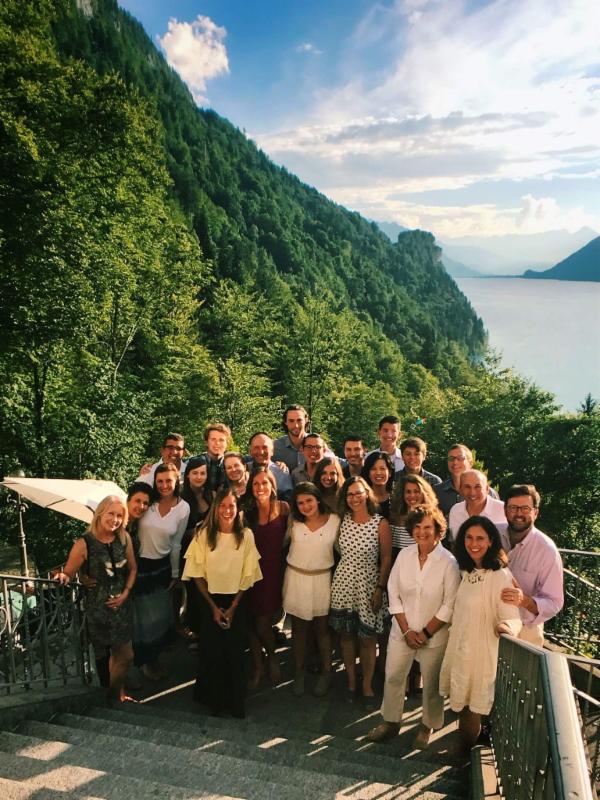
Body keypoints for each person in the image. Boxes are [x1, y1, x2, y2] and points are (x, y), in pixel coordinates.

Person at [367, 506, 460, 747]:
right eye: (417, 527)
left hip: (435, 636)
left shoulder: (448, 562)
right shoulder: (404, 556)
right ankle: (390, 722)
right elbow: (393, 591)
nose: (422, 532)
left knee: (431, 684)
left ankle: (427, 725)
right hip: (402, 632)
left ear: (438, 530)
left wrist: (426, 632)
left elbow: (450, 604)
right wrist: (407, 630)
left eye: (428, 527)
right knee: (394, 676)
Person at [439, 516, 522, 752]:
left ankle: (465, 757)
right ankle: (463, 754)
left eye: (480, 538)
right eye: (469, 537)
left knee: (473, 708)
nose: (473, 543)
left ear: (491, 541)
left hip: (482, 653)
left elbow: (512, 616)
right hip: (462, 648)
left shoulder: (500, 575)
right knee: (464, 707)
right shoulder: (468, 571)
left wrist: (506, 627)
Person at [182, 488, 262, 718]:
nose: (227, 510)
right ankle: (214, 701)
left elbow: (248, 574)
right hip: (210, 599)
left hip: (237, 599)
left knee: (235, 651)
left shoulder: (246, 535)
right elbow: (196, 574)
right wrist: (213, 608)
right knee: (212, 651)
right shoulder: (203, 534)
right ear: (216, 508)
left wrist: (233, 608)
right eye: (223, 506)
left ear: (238, 509)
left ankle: (235, 702)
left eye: (231, 506)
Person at [56, 495, 137, 704]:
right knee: (105, 653)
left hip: (122, 606)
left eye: (119, 515)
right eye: (111, 513)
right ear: (100, 513)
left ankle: (114, 693)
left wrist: (126, 593)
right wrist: (65, 576)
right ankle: (114, 694)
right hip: (98, 608)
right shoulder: (84, 543)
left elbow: (133, 569)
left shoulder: (124, 538)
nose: (115, 519)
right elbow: (69, 572)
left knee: (125, 655)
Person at [329, 477, 392, 706]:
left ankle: (366, 684)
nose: (354, 498)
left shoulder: (380, 523)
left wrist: (380, 589)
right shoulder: (342, 520)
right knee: (346, 635)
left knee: (367, 638)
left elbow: (386, 559)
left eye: (358, 493)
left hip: (369, 583)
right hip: (344, 581)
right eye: (350, 494)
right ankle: (350, 682)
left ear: (367, 494)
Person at [133, 463, 190, 681]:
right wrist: (142, 476)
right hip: (140, 566)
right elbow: (131, 505)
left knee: (160, 618)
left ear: (177, 482)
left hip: (163, 567)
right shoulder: (148, 503)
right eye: (160, 481)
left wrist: (175, 574)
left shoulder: (183, 508)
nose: (164, 485)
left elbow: (176, 544)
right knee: (143, 618)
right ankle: (146, 662)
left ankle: (154, 659)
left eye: (169, 481)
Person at [283, 482, 340, 697]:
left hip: (322, 579)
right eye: (300, 503)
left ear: (317, 499)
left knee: (322, 630)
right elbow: (281, 544)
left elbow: (342, 550)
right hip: (296, 577)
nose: (305, 506)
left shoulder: (334, 521)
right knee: (298, 629)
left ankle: (326, 672)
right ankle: (299, 671)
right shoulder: (294, 521)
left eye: (309, 500)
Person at [498, 485, 564, 647]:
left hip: (525, 631)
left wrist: (525, 601)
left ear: (535, 513)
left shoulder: (547, 550)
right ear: (505, 510)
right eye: (513, 508)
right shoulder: (491, 534)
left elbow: (555, 602)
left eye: (525, 508)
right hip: (489, 622)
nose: (519, 513)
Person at [242, 466, 289, 688]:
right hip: (249, 574)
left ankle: (272, 656)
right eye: (256, 483)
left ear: (272, 485)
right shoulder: (246, 513)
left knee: (262, 622)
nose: (260, 487)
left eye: (265, 483)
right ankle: (258, 665)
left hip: (273, 573)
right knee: (250, 623)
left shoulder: (284, 508)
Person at [180, 456, 214, 637]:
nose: (199, 477)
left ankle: (209, 630)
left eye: (203, 473)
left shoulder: (212, 496)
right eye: (195, 473)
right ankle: (195, 632)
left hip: (211, 554)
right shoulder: (181, 499)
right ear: (188, 475)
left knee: (209, 592)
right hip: (189, 553)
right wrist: (196, 533)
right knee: (193, 593)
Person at [434, 443, 499, 518]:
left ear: (470, 462)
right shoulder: (437, 492)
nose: (455, 462)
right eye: (451, 458)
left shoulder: (489, 493)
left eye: (460, 458)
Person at [448, 470, 506, 543]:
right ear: (460, 490)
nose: (472, 492)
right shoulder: (455, 510)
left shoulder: (503, 510)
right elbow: (454, 543)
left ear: (487, 489)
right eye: (467, 487)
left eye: (478, 487)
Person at [389, 474, 439, 558]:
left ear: (424, 494)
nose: (412, 495)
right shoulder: (394, 519)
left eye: (416, 491)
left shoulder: (434, 518)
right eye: (408, 492)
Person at [248, 432, 293, 501]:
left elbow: (288, 499)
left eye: (265, 447)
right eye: (256, 448)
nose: (261, 452)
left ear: (272, 451)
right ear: (250, 451)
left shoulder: (281, 471)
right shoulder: (244, 469)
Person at [273, 404, 310, 472]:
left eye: (299, 420)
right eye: (291, 421)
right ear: (285, 422)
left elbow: (331, 462)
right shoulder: (276, 446)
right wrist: (274, 466)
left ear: (306, 420)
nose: (296, 425)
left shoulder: (316, 443)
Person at [361, 451, 394, 518]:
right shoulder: (363, 499)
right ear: (368, 473)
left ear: (390, 472)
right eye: (373, 469)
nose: (378, 473)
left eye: (382, 469)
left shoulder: (397, 497)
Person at [199, 423, 231, 491]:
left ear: (227, 443)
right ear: (206, 442)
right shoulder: (194, 463)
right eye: (213, 439)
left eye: (221, 440)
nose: (217, 443)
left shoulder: (233, 464)